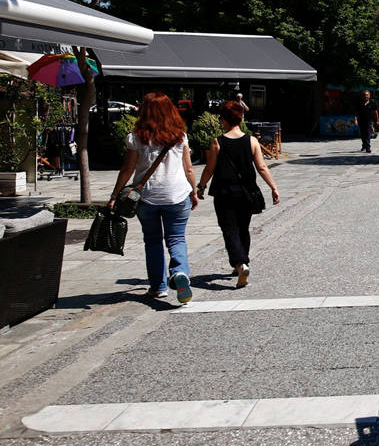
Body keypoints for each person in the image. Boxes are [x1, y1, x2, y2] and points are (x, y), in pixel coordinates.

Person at [108, 92, 198, 303]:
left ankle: (158, 287)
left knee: (153, 241)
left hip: (147, 197)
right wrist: (194, 191)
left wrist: (114, 195)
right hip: (177, 195)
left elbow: (127, 168)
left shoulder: (136, 138)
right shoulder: (180, 136)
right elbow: (189, 168)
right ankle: (179, 273)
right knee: (176, 238)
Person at [196, 100, 280, 287]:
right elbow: (262, 167)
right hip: (246, 192)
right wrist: (273, 188)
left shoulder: (217, 141)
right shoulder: (252, 141)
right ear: (240, 118)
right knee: (243, 227)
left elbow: (209, 169)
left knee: (229, 229)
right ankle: (243, 262)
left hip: (224, 192)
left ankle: (240, 263)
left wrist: (200, 187)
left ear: (224, 120)